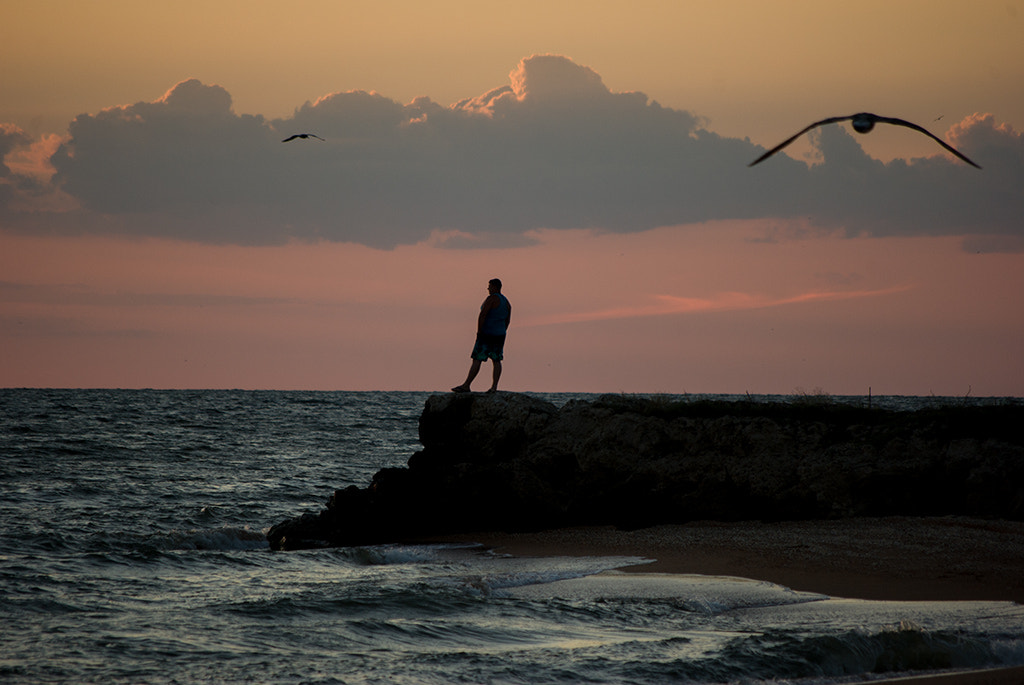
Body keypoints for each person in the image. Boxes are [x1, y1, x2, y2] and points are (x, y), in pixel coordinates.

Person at [452, 278, 511, 393]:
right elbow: (507, 320)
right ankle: (494, 387)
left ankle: (466, 385)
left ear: (495, 287)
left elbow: (483, 315)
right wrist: (502, 331)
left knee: (477, 359)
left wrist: (479, 332)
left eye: (489, 286)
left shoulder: (492, 299)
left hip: (486, 334)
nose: (488, 288)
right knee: (496, 360)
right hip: (500, 334)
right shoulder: (507, 302)